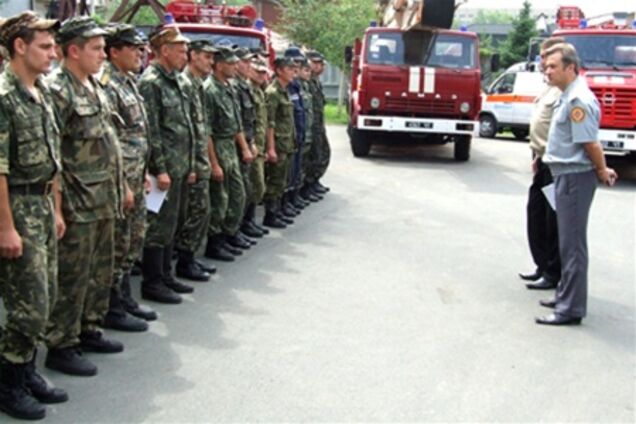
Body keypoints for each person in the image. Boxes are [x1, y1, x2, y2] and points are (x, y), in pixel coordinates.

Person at [44, 16, 126, 377]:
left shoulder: (94, 85)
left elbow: (108, 141)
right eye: (96, 48)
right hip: (77, 202)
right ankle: (61, 344)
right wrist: (57, 209)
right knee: (72, 276)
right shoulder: (58, 90)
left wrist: (121, 186)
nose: (103, 55)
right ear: (73, 50)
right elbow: (53, 157)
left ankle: (89, 328)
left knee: (99, 270)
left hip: (102, 197)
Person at [0, 12, 68, 420]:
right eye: (44, 46)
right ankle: (8, 383)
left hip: (42, 205)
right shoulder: (4, 97)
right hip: (18, 208)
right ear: (19, 46)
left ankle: (25, 370)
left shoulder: (40, 91)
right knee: (29, 307)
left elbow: (53, 159)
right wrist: (6, 227)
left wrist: (57, 208)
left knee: (47, 296)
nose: (53, 53)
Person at [536, 43, 618, 326]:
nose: (547, 71)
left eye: (553, 66)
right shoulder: (567, 95)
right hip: (565, 175)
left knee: (572, 246)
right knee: (566, 243)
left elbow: (590, 142)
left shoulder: (577, 100)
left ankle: (570, 308)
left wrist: (602, 169)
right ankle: (564, 295)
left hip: (574, 177)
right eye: (546, 66)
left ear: (570, 68)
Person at [100, 23, 157, 332]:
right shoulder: (108, 84)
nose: (140, 53)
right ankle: (112, 306)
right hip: (120, 180)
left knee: (133, 239)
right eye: (133, 48)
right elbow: (112, 141)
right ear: (114, 51)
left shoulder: (128, 81)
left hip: (135, 176)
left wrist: (144, 171)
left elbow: (137, 134)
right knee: (120, 244)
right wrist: (123, 182)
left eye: (141, 48)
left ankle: (124, 299)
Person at [138, 26, 196, 304]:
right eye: (181, 49)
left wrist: (191, 165)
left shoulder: (178, 81)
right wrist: (159, 168)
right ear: (164, 51)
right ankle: (153, 282)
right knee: (158, 225)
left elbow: (187, 126)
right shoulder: (151, 83)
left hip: (181, 166)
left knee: (174, 221)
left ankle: (166, 275)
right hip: (164, 169)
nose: (185, 54)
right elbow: (152, 132)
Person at [521, 37, 565, 291]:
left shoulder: (564, 90)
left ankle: (552, 272)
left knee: (553, 221)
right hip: (542, 160)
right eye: (541, 57)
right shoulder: (549, 86)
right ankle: (542, 265)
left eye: (547, 57)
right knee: (536, 216)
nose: (542, 63)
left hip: (556, 165)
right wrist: (537, 155)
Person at [203, 46, 253, 261]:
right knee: (220, 200)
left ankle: (228, 234)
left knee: (237, 194)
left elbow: (237, 124)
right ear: (219, 65)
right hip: (218, 148)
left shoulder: (229, 87)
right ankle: (215, 243)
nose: (235, 67)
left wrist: (244, 148)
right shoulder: (210, 90)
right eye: (231, 63)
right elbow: (208, 132)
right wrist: (214, 163)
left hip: (231, 147)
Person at [174, 39, 217, 282]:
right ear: (194, 57)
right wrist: (192, 165)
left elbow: (202, 127)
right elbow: (187, 129)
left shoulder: (197, 85)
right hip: (188, 162)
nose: (211, 62)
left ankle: (189, 258)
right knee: (192, 212)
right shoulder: (186, 84)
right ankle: (184, 261)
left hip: (198, 159)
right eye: (207, 57)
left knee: (201, 210)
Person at [234, 47, 265, 240]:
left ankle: (244, 225)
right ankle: (235, 230)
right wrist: (246, 145)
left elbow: (250, 120)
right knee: (239, 192)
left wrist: (252, 142)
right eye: (244, 62)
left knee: (250, 187)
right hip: (236, 149)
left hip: (250, 144)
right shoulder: (235, 87)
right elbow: (235, 123)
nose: (248, 65)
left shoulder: (244, 87)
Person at [262, 57, 296, 228]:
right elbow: (270, 122)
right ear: (280, 71)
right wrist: (271, 148)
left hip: (286, 143)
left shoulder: (284, 91)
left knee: (282, 180)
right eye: (289, 69)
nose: (293, 72)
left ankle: (278, 211)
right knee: (274, 181)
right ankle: (270, 214)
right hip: (277, 144)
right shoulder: (272, 92)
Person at [247, 57, 270, 233]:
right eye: (258, 72)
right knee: (254, 186)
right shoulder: (247, 90)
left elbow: (264, 121)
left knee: (258, 186)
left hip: (260, 147)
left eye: (264, 72)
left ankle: (250, 221)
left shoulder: (260, 91)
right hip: (251, 147)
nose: (262, 76)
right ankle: (246, 223)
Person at [303, 50, 330, 198]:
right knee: (311, 157)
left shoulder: (315, 82)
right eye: (316, 63)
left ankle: (314, 181)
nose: (320, 67)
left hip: (318, 124)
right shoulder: (306, 82)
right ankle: (307, 185)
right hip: (311, 126)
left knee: (321, 153)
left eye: (321, 64)